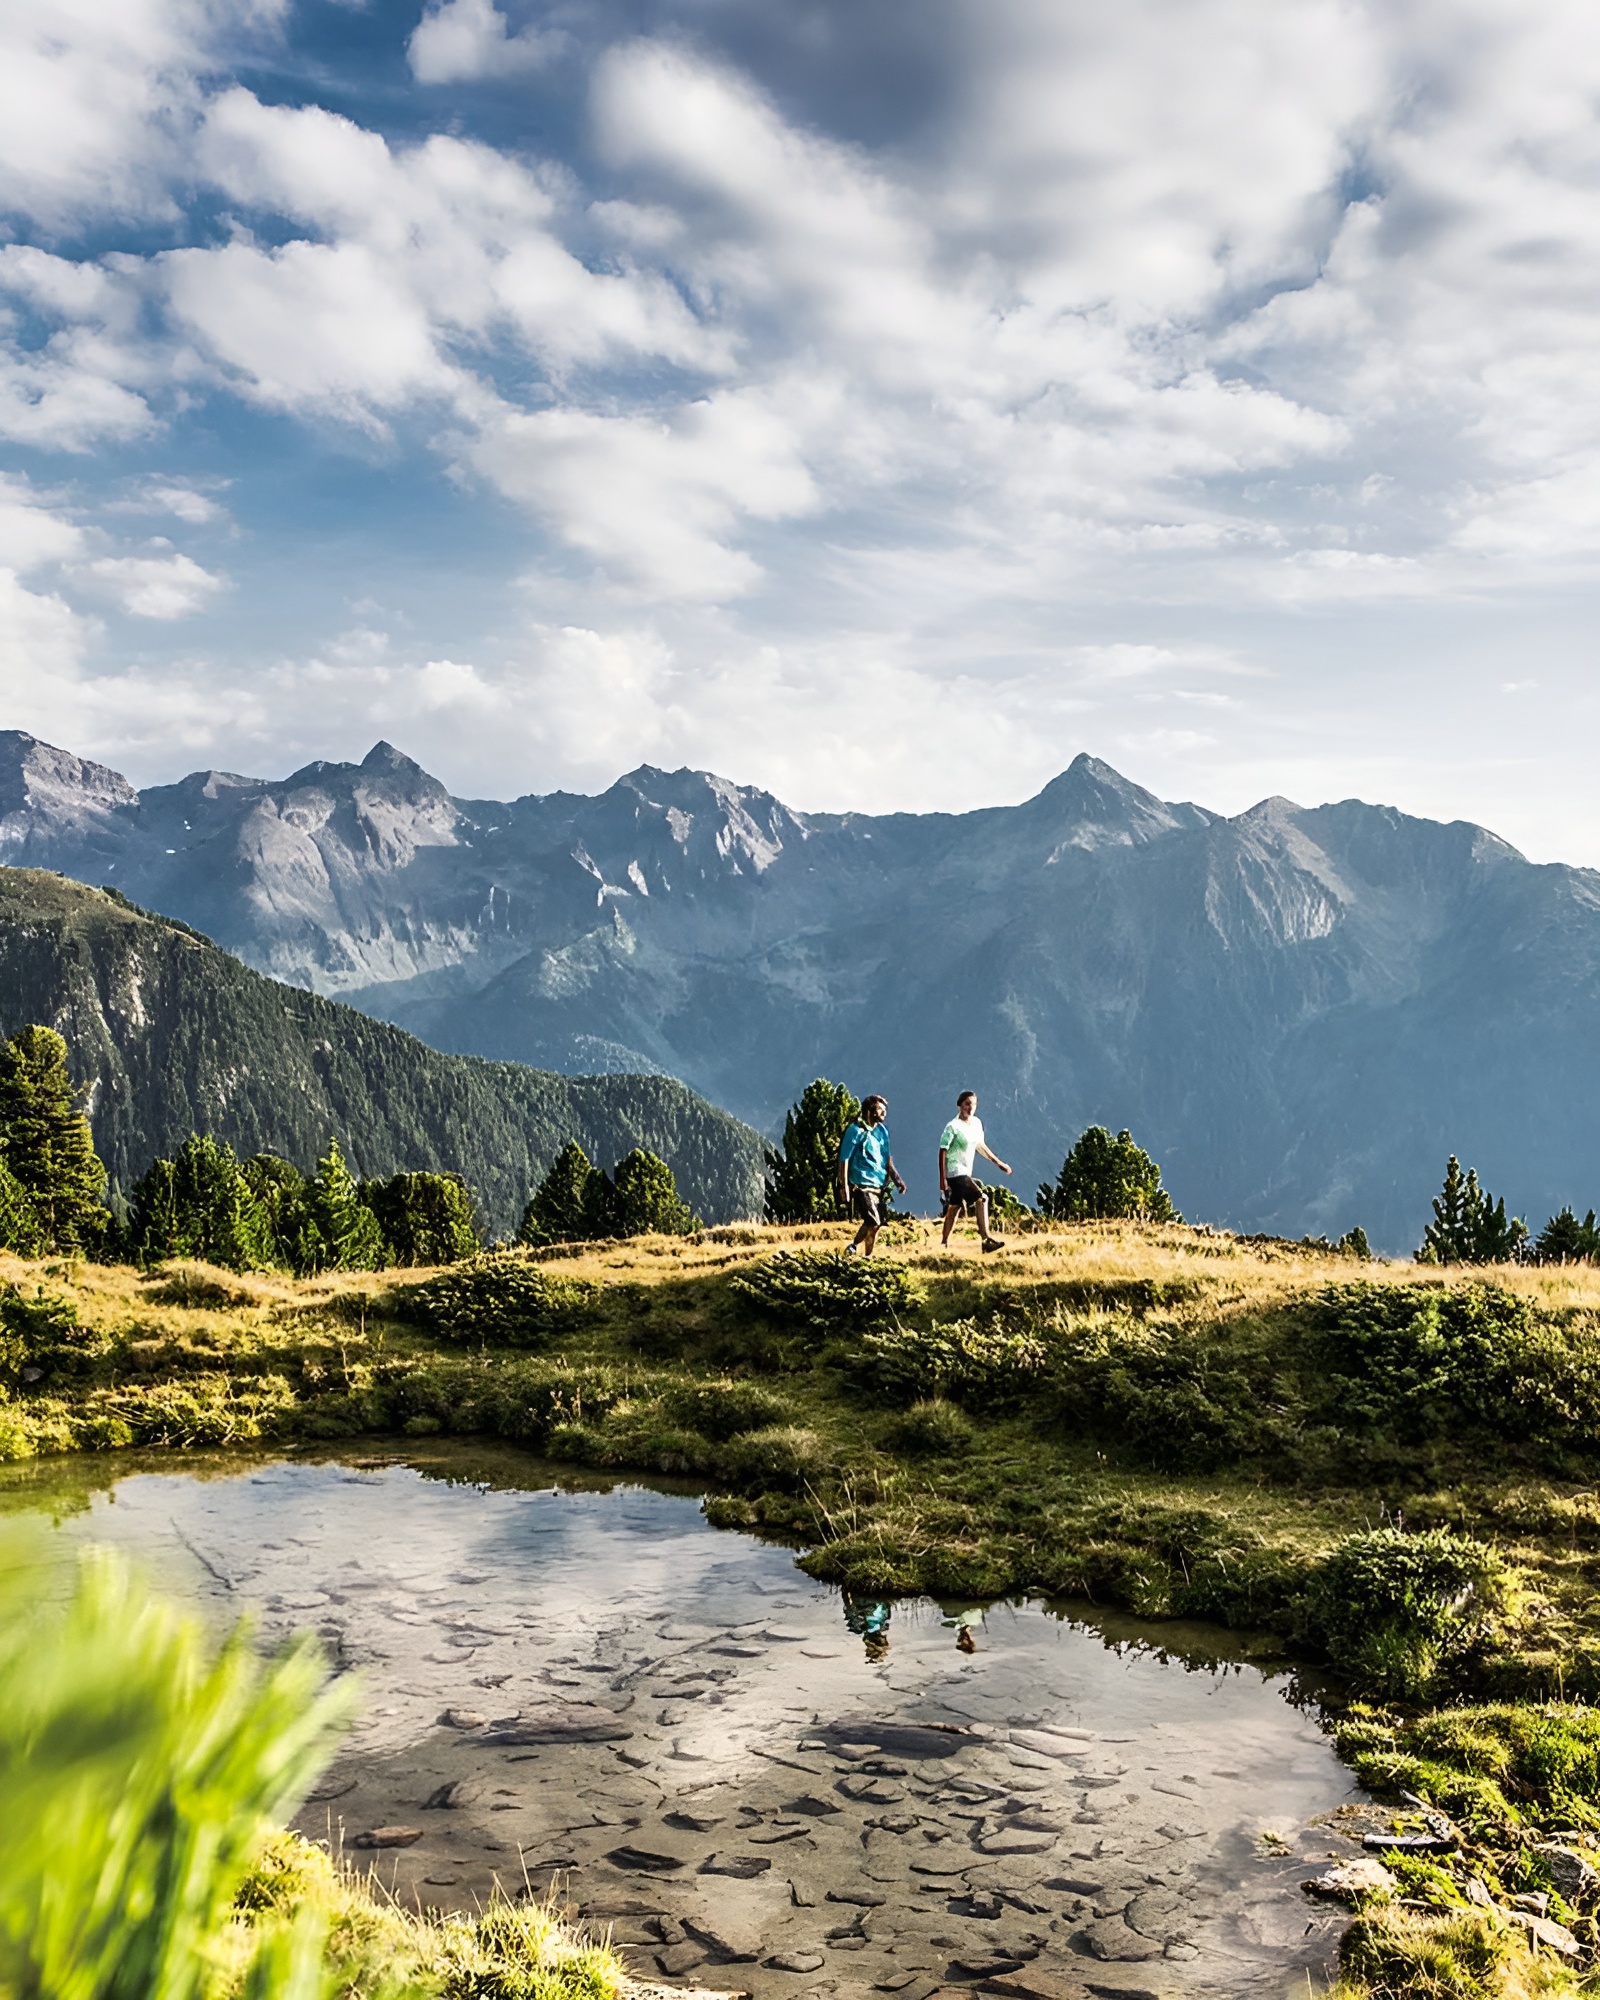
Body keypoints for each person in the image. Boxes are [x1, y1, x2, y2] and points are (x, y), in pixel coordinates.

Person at [939, 1089, 1011, 1251]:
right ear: (959, 1106)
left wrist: (999, 1163)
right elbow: (942, 1151)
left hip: (965, 1171)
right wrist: (942, 1179)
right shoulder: (952, 1127)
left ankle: (943, 1242)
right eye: (967, 1104)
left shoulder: (977, 1124)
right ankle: (986, 1240)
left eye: (974, 1104)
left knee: (954, 1207)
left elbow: (980, 1146)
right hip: (955, 1172)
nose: (970, 1108)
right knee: (982, 1198)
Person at [837, 1093, 906, 1258]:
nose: (884, 1113)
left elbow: (886, 1158)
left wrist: (897, 1180)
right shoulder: (855, 1130)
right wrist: (844, 1185)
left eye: (885, 1110)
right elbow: (844, 1159)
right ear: (869, 1111)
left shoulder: (882, 1131)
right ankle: (854, 1247)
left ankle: (866, 1255)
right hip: (860, 1185)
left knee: (875, 1224)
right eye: (880, 1110)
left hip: (878, 1184)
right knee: (873, 1220)